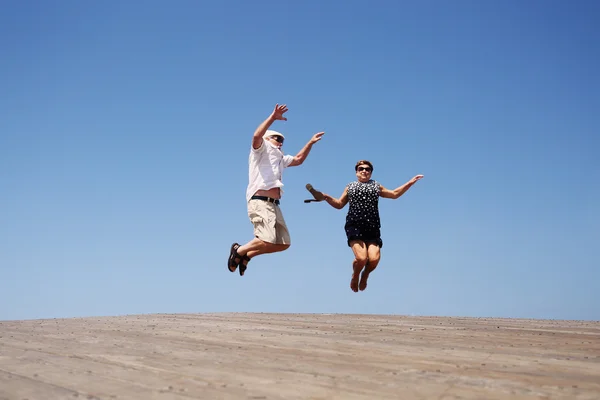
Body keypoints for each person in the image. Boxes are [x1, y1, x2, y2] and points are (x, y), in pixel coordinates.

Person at [227, 104, 325, 276]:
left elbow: (299, 159)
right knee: (266, 238)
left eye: (282, 140)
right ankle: (239, 249)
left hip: (275, 205)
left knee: (284, 243)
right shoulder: (260, 150)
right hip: (260, 201)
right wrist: (272, 118)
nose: (280, 142)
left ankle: (247, 255)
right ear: (267, 139)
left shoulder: (280, 157)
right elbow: (256, 135)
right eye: (276, 138)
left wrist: (310, 142)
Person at [311, 160, 423, 292]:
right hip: (355, 224)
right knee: (362, 258)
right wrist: (326, 197)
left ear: (371, 172)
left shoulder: (376, 186)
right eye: (361, 169)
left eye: (367, 169)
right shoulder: (350, 187)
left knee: (374, 259)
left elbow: (394, 194)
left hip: (372, 226)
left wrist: (410, 182)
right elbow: (339, 204)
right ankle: (356, 275)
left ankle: (365, 274)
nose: (364, 171)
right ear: (356, 172)